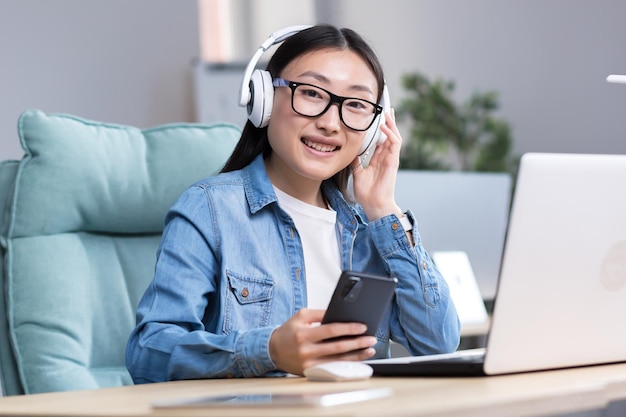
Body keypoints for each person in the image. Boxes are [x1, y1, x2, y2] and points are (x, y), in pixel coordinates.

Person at [126, 24, 460, 383]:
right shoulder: (209, 210)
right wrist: (267, 350)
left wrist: (383, 209)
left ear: (374, 126)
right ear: (264, 99)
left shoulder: (369, 229)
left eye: (357, 105)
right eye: (313, 94)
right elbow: (148, 352)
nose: (331, 123)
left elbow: (437, 344)